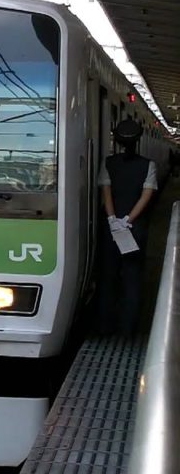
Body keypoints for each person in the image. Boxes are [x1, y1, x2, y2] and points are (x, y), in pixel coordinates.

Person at [96, 118, 157, 336]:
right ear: (138, 140)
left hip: (111, 231)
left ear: (118, 141)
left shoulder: (108, 162)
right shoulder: (148, 165)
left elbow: (106, 192)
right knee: (132, 278)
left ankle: (105, 326)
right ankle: (128, 329)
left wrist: (113, 219)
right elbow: (146, 195)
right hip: (135, 230)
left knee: (108, 277)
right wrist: (128, 220)